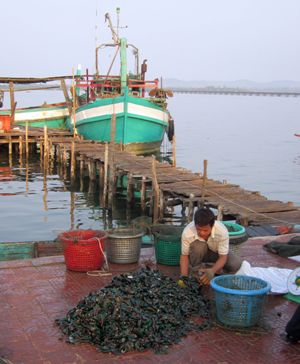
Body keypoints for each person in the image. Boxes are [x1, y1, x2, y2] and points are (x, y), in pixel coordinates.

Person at [180, 207, 242, 285]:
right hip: (198, 253)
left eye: (205, 230)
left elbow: (223, 257)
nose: (202, 233)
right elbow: (184, 256)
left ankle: (215, 272)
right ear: (195, 224)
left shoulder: (222, 231)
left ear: (212, 226)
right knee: (198, 247)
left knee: (236, 264)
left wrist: (212, 271)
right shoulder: (187, 232)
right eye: (198, 229)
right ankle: (197, 272)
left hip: (215, 253)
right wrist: (183, 278)